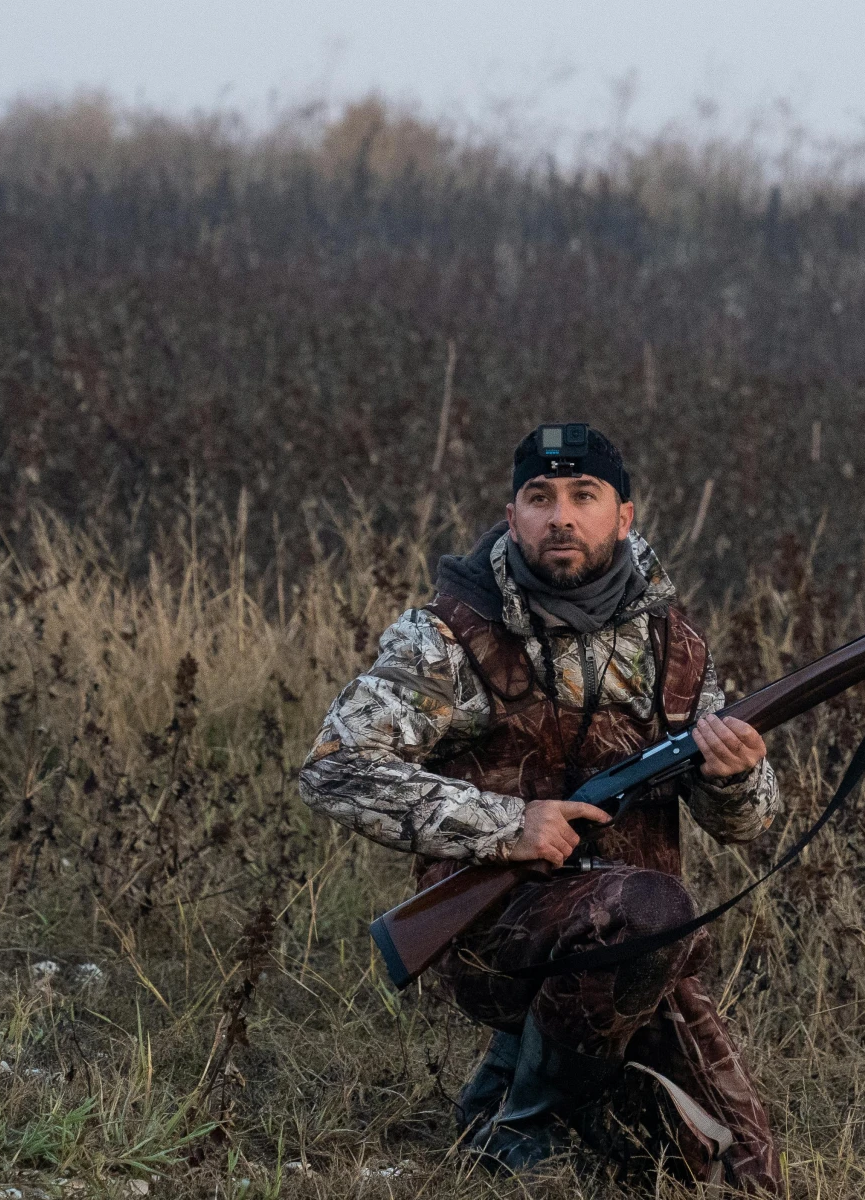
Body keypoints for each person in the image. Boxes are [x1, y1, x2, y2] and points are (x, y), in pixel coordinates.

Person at [298, 422, 785, 1190]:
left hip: (631, 952)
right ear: (512, 512)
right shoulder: (449, 639)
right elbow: (334, 767)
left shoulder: (676, 648)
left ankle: (508, 1079)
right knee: (649, 907)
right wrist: (505, 827)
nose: (560, 515)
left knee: (743, 1173)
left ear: (623, 516)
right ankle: (516, 1124)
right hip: (497, 935)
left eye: (582, 496)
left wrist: (735, 775)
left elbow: (749, 825)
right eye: (539, 497)